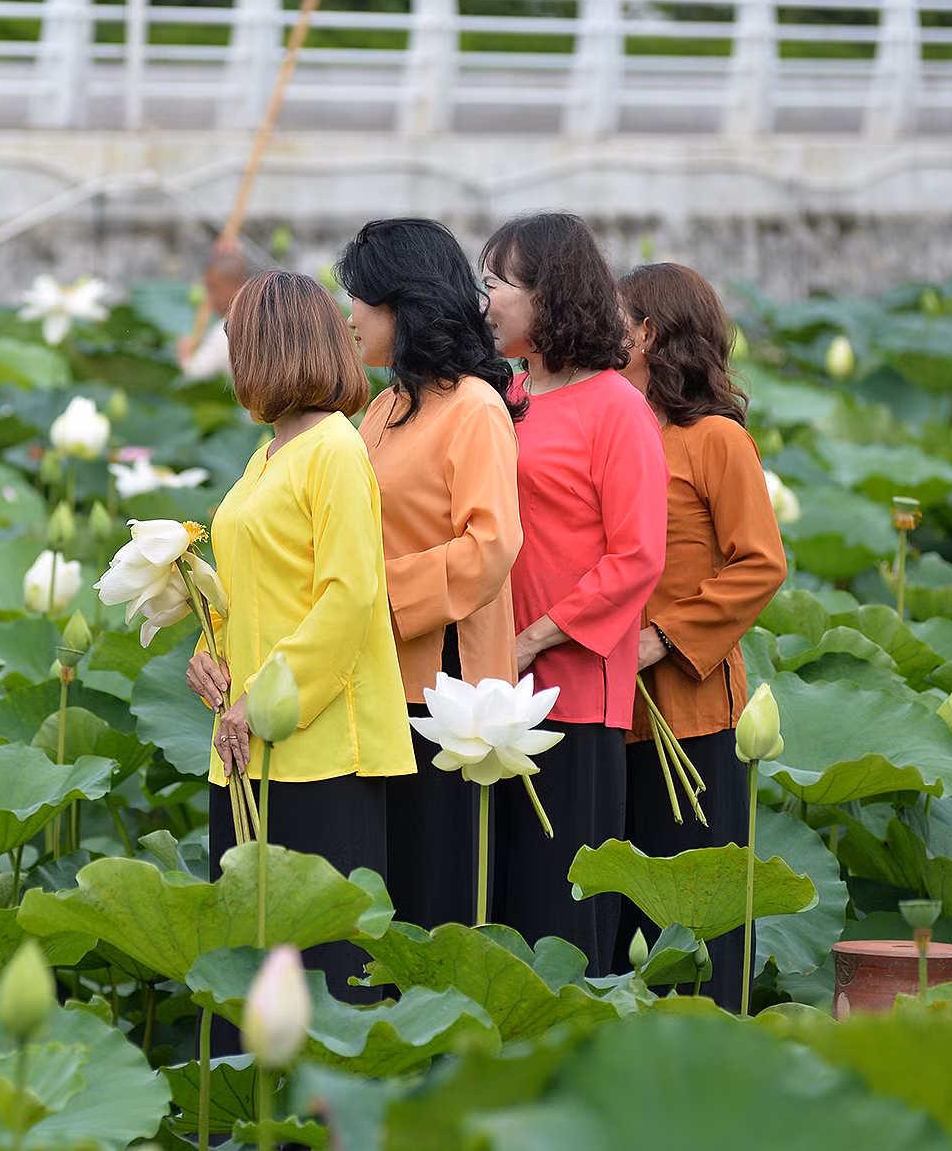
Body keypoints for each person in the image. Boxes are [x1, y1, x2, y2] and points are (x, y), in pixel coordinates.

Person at [186, 269, 413, 1001]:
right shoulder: (268, 456)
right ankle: (241, 1110)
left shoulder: (337, 451)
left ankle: (319, 1113)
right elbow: (246, 587)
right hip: (245, 739)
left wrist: (267, 702)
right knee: (248, 957)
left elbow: (347, 599)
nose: (228, 357)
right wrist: (208, 653)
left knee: (320, 969)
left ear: (269, 346)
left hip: (314, 747)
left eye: (235, 339)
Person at [479, 211, 667, 974]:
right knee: (495, 909)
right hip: (490, 687)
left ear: (548, 294)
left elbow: (636, 557)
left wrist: (534, 638)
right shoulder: (507, 394)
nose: (483, 302)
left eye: (496, 285)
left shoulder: (616, 406)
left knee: (559, 917)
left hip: (572, 691)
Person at [336, 218, 525, 931]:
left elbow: (491, 546)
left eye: (362, 299)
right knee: (388, 889)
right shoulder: (382, 408)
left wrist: (377, 597)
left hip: (444, 687)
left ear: (403, 306)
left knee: (437, 890)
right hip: (380, 674)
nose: (349, 316)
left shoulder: (476, 407)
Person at [615, 262, 788, 1007]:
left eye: (614, 318)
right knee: (622, 906)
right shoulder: (612, 428)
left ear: (648, 333)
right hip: (609, 707)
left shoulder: (715, 439)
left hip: (692, 709)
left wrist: (664, 639)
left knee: (698, 921)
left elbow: (762, 564)